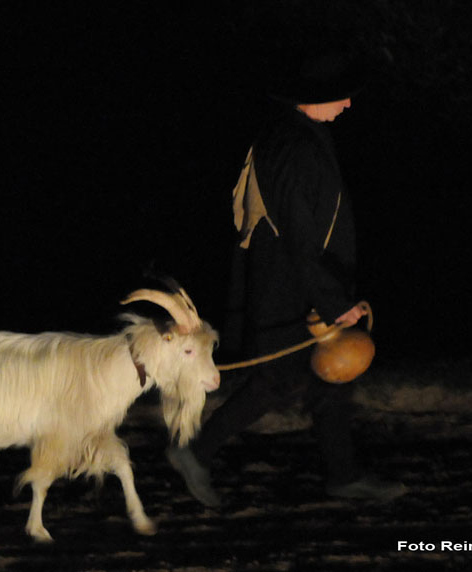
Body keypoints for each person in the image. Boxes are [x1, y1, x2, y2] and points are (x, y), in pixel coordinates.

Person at [167, 50, 405, 507]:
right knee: (276, 382)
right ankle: (194, 452)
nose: (349, 104)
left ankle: (343, 476)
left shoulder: (299, 134)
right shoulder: (293, 147)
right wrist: (334, 303)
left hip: (304, 287)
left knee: (331, 379)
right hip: (290, 292)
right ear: (311, 98)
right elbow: (299, 238)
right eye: (342, 96)